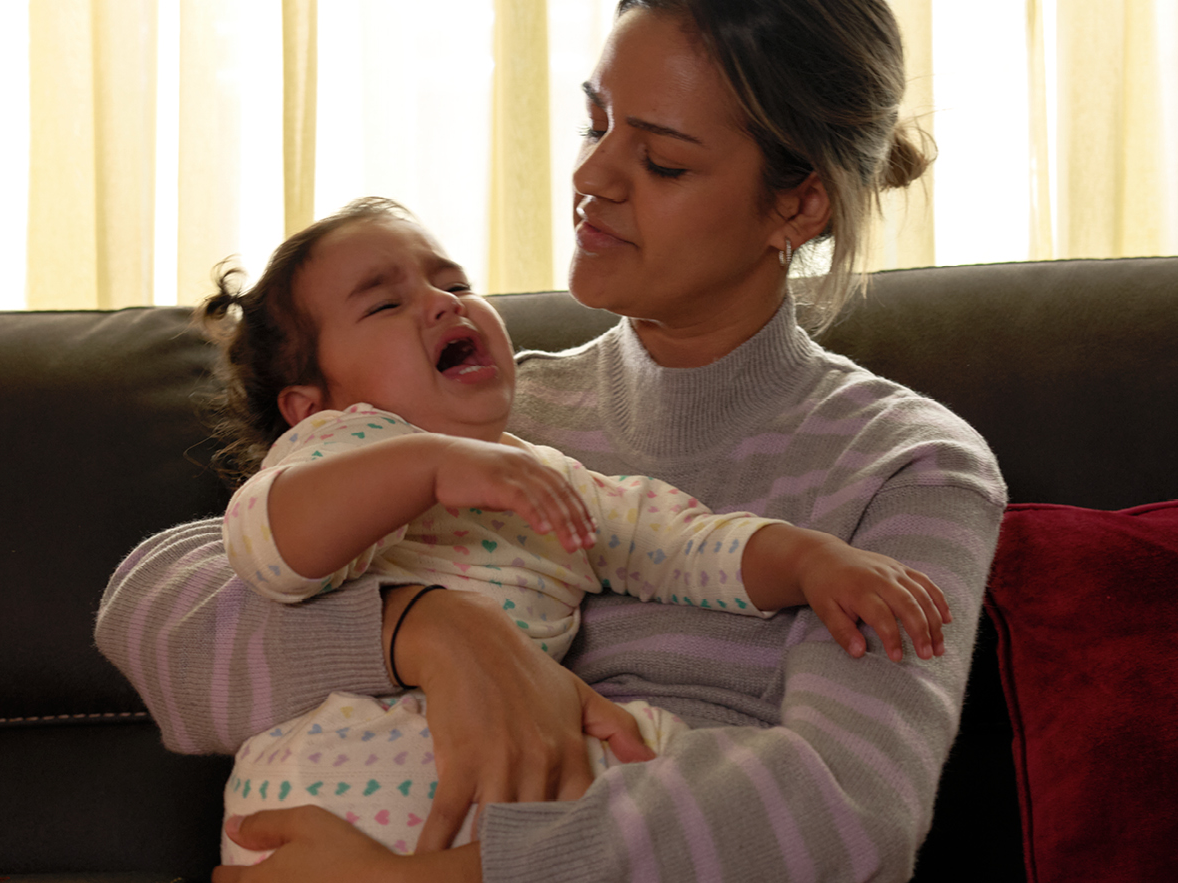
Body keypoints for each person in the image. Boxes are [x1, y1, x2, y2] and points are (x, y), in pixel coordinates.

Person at [95, 0, 1004, 879]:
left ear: (798, 206)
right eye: (595, 121)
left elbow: (848, 814)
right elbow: (157, 619)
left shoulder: (909, 465)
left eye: (660, 161)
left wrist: (443, 879)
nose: (592, 177)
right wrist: (428, 631)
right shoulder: (473, 408)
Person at [194, 197, 953, 866]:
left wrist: (813, 559)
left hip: (524, 775)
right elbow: (268, 547)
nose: (442, 303)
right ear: (306, 403)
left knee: (677, 763)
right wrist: (428, 470)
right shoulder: (338, 445)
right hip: (333, 773)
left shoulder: (550, 476)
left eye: (455, 284)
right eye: (385, 305)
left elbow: (686, 544)